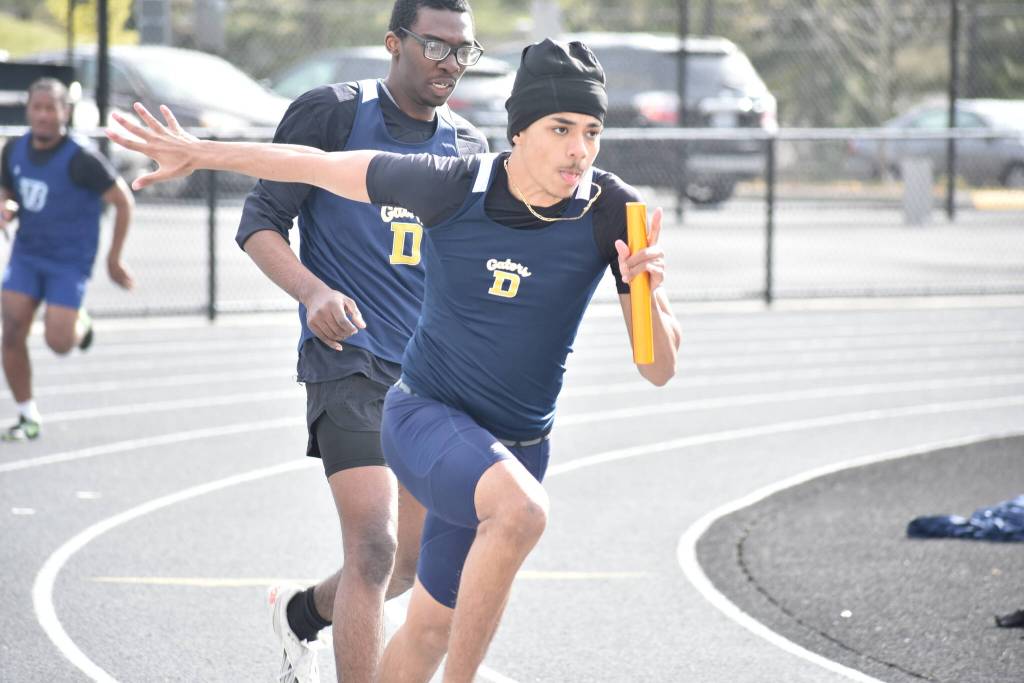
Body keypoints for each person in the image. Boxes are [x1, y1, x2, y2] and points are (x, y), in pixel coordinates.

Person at [107, 37, 682, 683]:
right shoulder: (454, 184)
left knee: (430, 628)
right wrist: (199, 152)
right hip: (425, 415)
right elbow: (315, 165)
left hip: (520, 443)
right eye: (561, 128)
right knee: (522, 512)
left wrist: (650, 292)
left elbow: (658, 367)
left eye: (592, 132)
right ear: (520, 131)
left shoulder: (614, 211)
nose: (580, 149)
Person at [234, 1, 487, 681]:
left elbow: (467, 267)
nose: (451, 64)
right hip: (347, 361)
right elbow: (260, 223)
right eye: (436, 46)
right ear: (394, 43)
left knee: (408, 565)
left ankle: (300, 614)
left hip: (428, 377)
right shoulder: (333, 114)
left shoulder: (468, 146)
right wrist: (313, 292)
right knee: (373, 548)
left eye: (464, 51)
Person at [1, 78, 134, 442]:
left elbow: (123, 201)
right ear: (28, 110)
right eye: (37, 107)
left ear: (65, 112)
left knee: (58, 343)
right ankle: (27, 415)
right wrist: (5, 206)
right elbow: (7, 189)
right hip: (27, 254)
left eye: (51, 108)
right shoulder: (13, 150)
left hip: (68, 261)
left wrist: (114, 259)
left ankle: (79, 323)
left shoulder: (81, 159)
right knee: (11, 330)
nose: (43, 115)